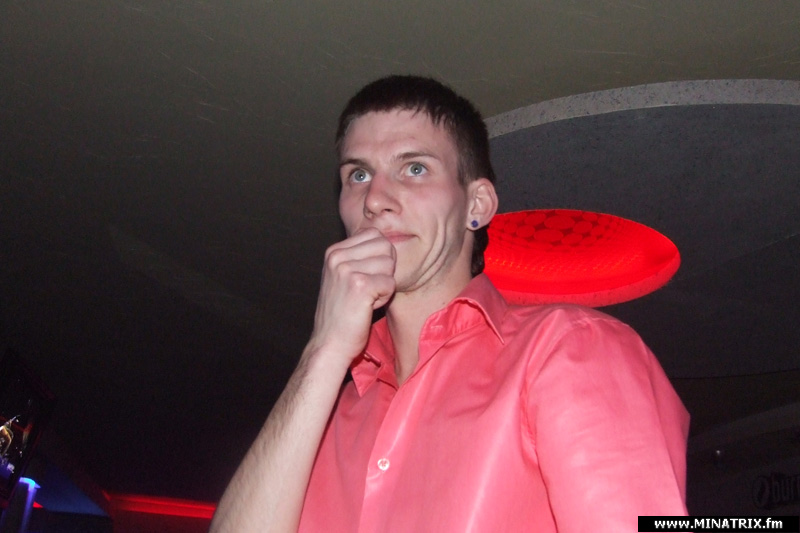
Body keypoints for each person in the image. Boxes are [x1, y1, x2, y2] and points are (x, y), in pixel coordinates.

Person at [210, 75, 690, 533]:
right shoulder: (324, 414)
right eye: (358, 174)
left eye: (414, 168)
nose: (375, 199)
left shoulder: (568, 348)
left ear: (476, 205)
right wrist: (322, 350)